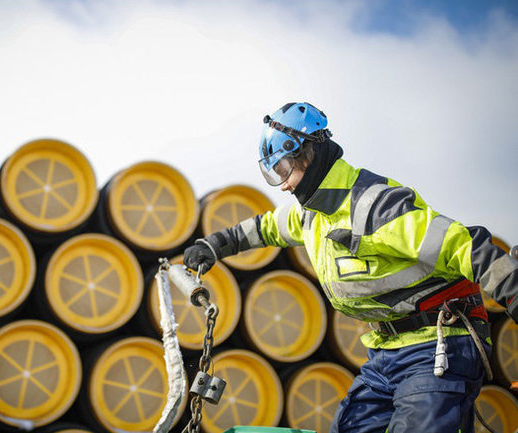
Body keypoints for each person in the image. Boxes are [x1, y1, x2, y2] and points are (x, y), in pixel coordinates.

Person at [183, 102, 518, 433]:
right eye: (275, 175)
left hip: (438, 344)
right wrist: (214, 245)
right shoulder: (311, 214)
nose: (283, 184)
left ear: (307, 153)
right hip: (387, 351)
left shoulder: (374, 207)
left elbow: (464, 245)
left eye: (284, 170)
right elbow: (265, 227)